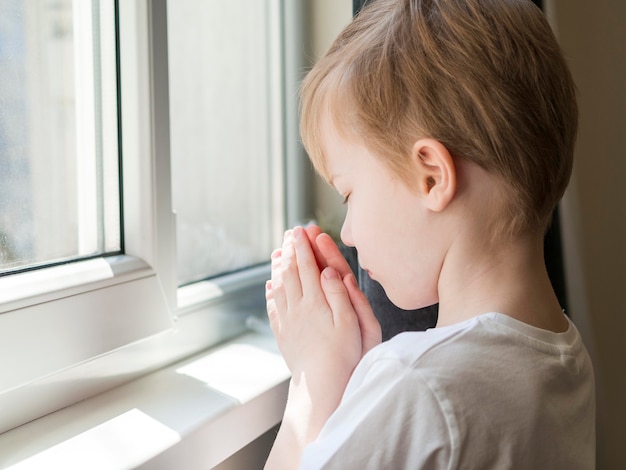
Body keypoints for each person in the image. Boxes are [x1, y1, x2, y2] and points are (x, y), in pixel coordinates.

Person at [264, 0, 595, 467]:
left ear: (432, 177)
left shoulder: (414, 385)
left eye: (349, 195)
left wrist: (314, 384)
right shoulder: (564, 358)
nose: (350, 235)